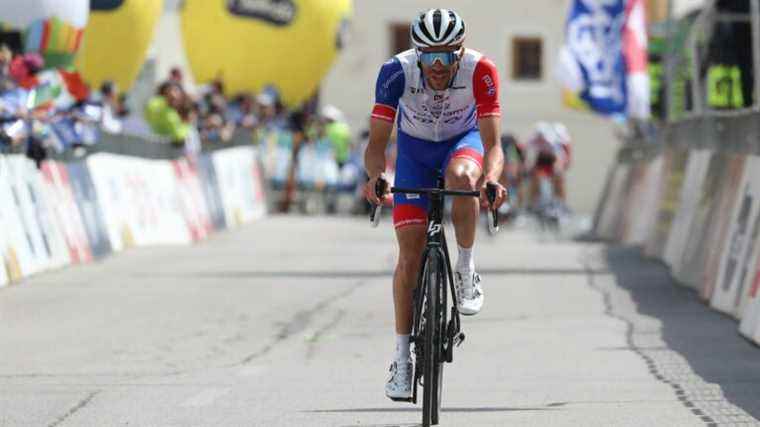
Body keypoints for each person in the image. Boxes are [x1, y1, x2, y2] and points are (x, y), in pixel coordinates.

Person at [363, 8, 506, 401]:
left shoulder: (481, 70)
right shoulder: (396, 72)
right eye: (429, 56)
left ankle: (465, 268)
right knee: (409, 256)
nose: (437, 66)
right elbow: (376, 145)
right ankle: (401, 358)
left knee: (463, 179)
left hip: (463, 143)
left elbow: (494, 145)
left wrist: (491, 180)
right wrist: (376, 178)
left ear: (460, 53)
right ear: (418, 54)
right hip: (414, 154)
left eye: (446, 56)